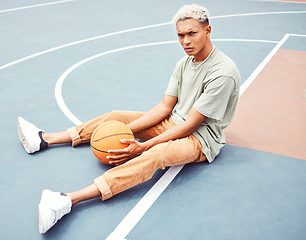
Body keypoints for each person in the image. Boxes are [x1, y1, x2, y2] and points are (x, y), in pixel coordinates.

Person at [18, 4, 240, 234]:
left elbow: (191, 124)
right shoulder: (184, 63)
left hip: (200, 138)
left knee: (156, 154)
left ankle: (67, 200)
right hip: (174, 121)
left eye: (192, 33)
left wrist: (143, 147)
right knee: (116, 117)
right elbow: (165, 106)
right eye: (180, 35)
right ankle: (45, 139)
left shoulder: (222, 72)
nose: (185, 41)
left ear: (208, 31)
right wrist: (123, 130)